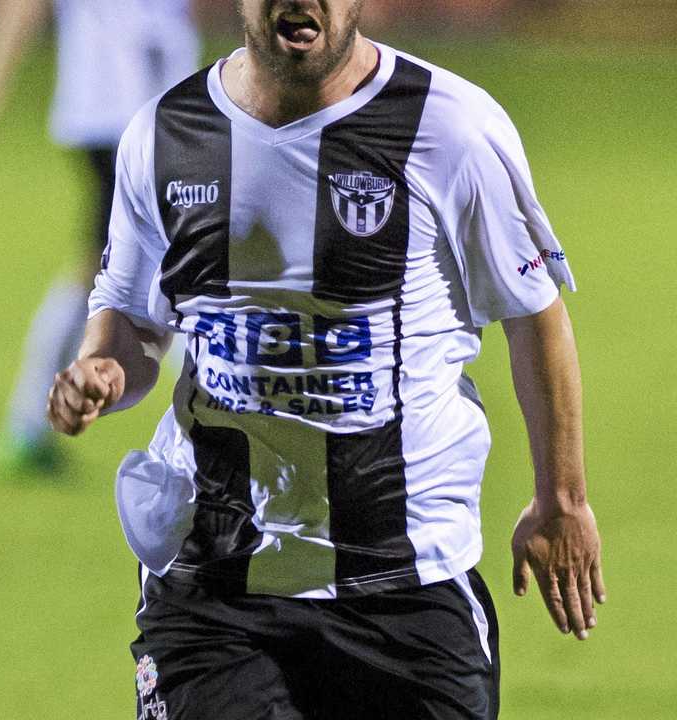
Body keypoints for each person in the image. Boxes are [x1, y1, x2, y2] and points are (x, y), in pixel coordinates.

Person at [47, 1, 606, 717]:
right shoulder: (165, 134)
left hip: (406, 585)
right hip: (215, 581)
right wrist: (103, 367)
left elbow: (534, 316)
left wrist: (562, 501)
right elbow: (130, 317)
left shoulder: (450, 126)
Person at [0, 0, 199, 472]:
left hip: (158, 113)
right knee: (167, 269)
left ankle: (29, 426)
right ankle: (236, 419)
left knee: (123, 270)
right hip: (119, 114)